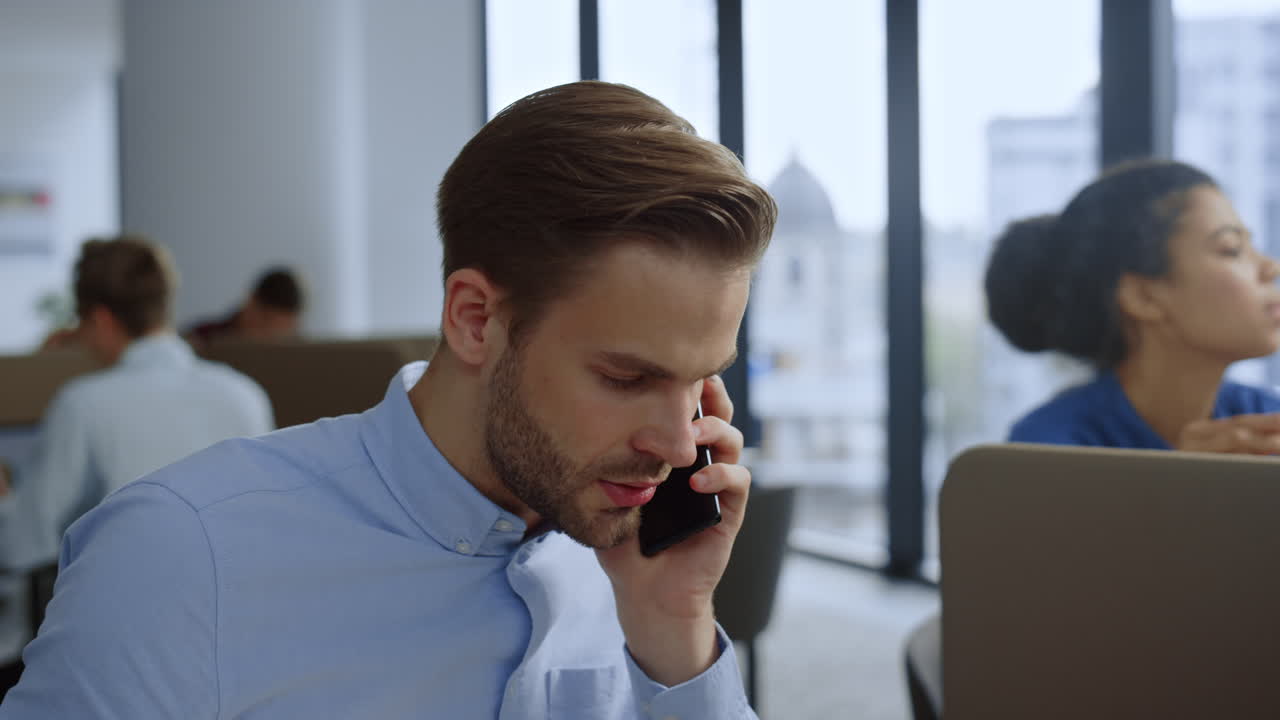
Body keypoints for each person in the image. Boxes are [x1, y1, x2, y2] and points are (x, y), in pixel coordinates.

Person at [0, 81, 777, 718]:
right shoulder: (179, 558)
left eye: (701, 379)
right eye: (627, 378)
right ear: (475, 320)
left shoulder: (633, 567)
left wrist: (675, 634)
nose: (681, 444)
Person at [0, 235, 274, 696]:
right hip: (236, 650)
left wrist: (6, 500)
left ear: (102, 319)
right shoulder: (245, 395)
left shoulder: (84, 405)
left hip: (122, 660)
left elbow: (24, 544)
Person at [986, 158, 1280, 451]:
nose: (1271, 268)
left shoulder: (1266, 413)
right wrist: (1188, 487)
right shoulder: (1047, 449)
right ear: (1143, 297)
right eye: (1231, 249)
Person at [184, 266, 306, 348]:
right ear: (251, 302)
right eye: (266, 321)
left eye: (282, 332)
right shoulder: (202, 338)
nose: (269, 335)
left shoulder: (300, 354)